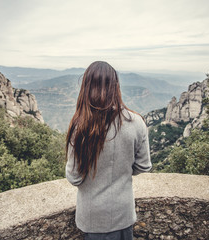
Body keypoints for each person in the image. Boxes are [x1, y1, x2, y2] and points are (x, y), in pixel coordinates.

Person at [65, 61, 152, 240]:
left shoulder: (79, 127)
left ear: (86, 88)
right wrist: (122, 168)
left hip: (92, 218)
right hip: (123, 214)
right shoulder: (136, 122)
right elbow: (143, 166)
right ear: (115, 87)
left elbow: (75, 177)